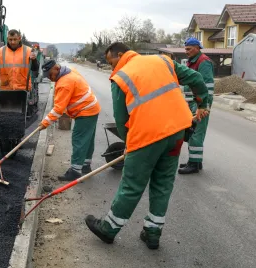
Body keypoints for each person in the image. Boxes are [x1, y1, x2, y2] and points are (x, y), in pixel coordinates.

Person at [84, 42, 209, 250]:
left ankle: (109, 229)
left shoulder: (121, 77)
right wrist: (202, 103)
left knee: (132, 184)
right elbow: (196, 79)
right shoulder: (163, 60)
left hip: (147, 136)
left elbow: (121, 117)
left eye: (111, 61)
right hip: (177, 131)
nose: (111, 67)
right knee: (163, 183)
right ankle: (152, 233)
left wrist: (128, 144)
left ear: (121, 55)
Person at [39, 60, 101, 181]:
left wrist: (44, 123)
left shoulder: (64, 83)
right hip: (91, 108)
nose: (50, 78)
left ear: (57, 69)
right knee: (87, 139)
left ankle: (75, 171)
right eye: (47, 76)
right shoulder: (69, 71)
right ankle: (85, 166)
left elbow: (58, 109)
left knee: (79, 139)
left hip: (86, 111)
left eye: (50, 75)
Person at [178, 37, 214, 174]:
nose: (186, 52)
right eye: (185, 49)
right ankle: (195, 162)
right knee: (192, 131)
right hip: (193, 102)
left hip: (199, 103)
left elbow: (207, 86)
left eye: (189, 49)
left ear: (197, 48)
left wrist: (203, 105)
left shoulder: (203, 61)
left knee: (196, 132)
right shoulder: (192, 61)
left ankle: (194, 164)